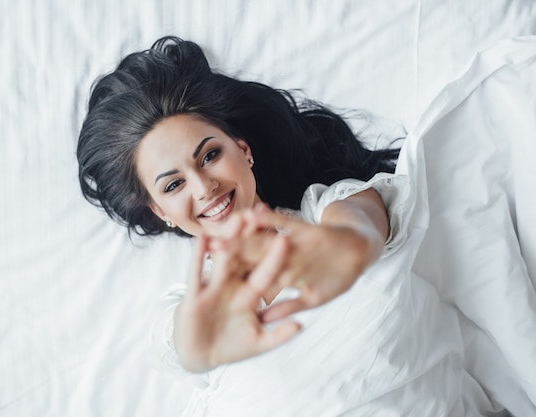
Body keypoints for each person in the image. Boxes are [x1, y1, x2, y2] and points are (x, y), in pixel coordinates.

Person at [76, 37, 494, 415]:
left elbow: (360, 230)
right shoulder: (186, 306)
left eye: (209, 156)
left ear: (243, 150)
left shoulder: (330, 207)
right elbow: (187, 343)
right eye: (174, 184)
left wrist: (342, 250)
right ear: (161, 211)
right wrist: (201, 342)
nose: (204, 186)